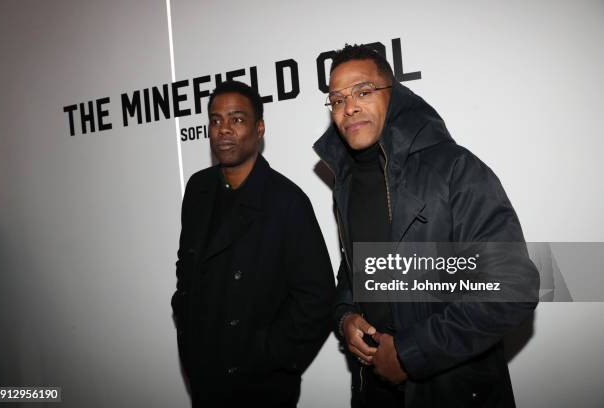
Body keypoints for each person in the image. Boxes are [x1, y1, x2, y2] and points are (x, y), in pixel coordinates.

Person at [313, 45, 539, 407]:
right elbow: (354, 269)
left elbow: (511, 286)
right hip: (374, 390)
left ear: (394, 95)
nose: (348, 107)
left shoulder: (455, 169)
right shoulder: (347, 184)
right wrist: (345, 316)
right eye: (336, 100)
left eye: (363, 92)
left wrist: (409, 353)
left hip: (452, 391)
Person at [172, 80, 335, 407]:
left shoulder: (286, 200)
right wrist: (187, 329)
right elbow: (187, 271)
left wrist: (268, 356)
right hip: (206, 379)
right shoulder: (198, 189)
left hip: (261, 387)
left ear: (259, 128)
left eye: (237, 119)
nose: (224, 130)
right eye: (216, 120)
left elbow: (317, 298)